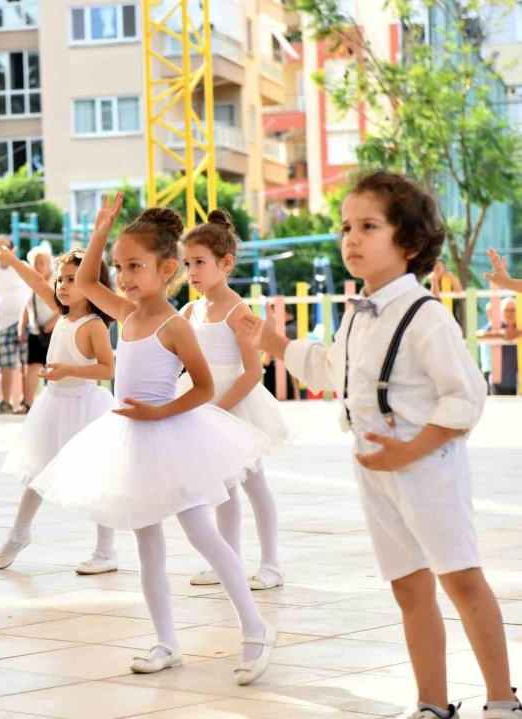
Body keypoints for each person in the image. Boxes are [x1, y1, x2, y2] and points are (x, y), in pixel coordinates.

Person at [238, 171, 519, 719]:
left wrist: (409, 452)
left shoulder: (426, 315)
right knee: (408, 587)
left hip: (428, 467)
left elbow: (465, 397)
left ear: (409, 243)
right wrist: (274, 341)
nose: (352, 238)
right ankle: (432, 703)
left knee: (460, 578)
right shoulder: (358, 314)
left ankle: (503, 701)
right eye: (346, 227)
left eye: (368, 226)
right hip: (374, 469)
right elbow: (330, 367)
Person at [31, 195, 275, 685]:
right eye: (120, 267)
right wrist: (100, 232)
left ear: (167, 270)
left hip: (169, 436)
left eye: (134, 266)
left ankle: (255, 628)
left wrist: (160, 412)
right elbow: (86, 283)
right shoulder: (126, 314)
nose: (123, 277)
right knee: (147, 545)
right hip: (131, 440)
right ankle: (166, 641)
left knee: (203, 535)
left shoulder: (175, 325)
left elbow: (203, 388)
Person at [0, 242, 118, 575]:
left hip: (84, 406)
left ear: (92, 284)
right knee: (36, 474)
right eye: (61, 279)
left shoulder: (93, 324)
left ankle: (106, 551)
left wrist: (69, 371)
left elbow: (108, 368)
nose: (62, 285)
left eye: (72, 279)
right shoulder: (62, 313)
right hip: (53, 404)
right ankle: (19, 534)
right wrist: (12, 260)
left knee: (99, 477)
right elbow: (36, 281)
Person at [177, 209, 288, 591]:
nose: (191, 272)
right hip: (203, 406)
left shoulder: (238, 310)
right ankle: (229, 562)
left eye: (199, 263)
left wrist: (219, 412)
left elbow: (253, 372)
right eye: (187, 264)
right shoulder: (190, 310)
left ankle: (271, 564)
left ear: (225, 263)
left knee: (254, 485)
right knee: (222, 488)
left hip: (235, 406)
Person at [0, 235, 29, 414]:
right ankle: (5, 402)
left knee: (27, 364)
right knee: (5, 364)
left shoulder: (22, 266)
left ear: (12, 249)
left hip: (24, 321)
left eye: (6, 247)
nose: (2, 250)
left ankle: (27, 402)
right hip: (3, 323)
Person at [17, 244, 58, 415]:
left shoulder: (57, 281)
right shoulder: (31, 282)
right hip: (35, 331)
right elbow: (26, 306)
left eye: (42, 262)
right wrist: (21, 326)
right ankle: (27, 404)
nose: (39, 266)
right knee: (31, 367)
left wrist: (53, 322)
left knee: (54, 368)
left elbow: (65, 306)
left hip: (54, 331)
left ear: (49, 263)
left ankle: (54, 405)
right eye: (36, 263)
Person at [478, 297, 519, 395]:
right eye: (506, 310)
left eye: (513, 310)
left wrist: (518, 333)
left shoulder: (520, 325)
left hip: (518, 382)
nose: (509, 313)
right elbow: (478, 335)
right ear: (501, 312)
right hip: (499, 383)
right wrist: (500, 334)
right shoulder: (496, 326)